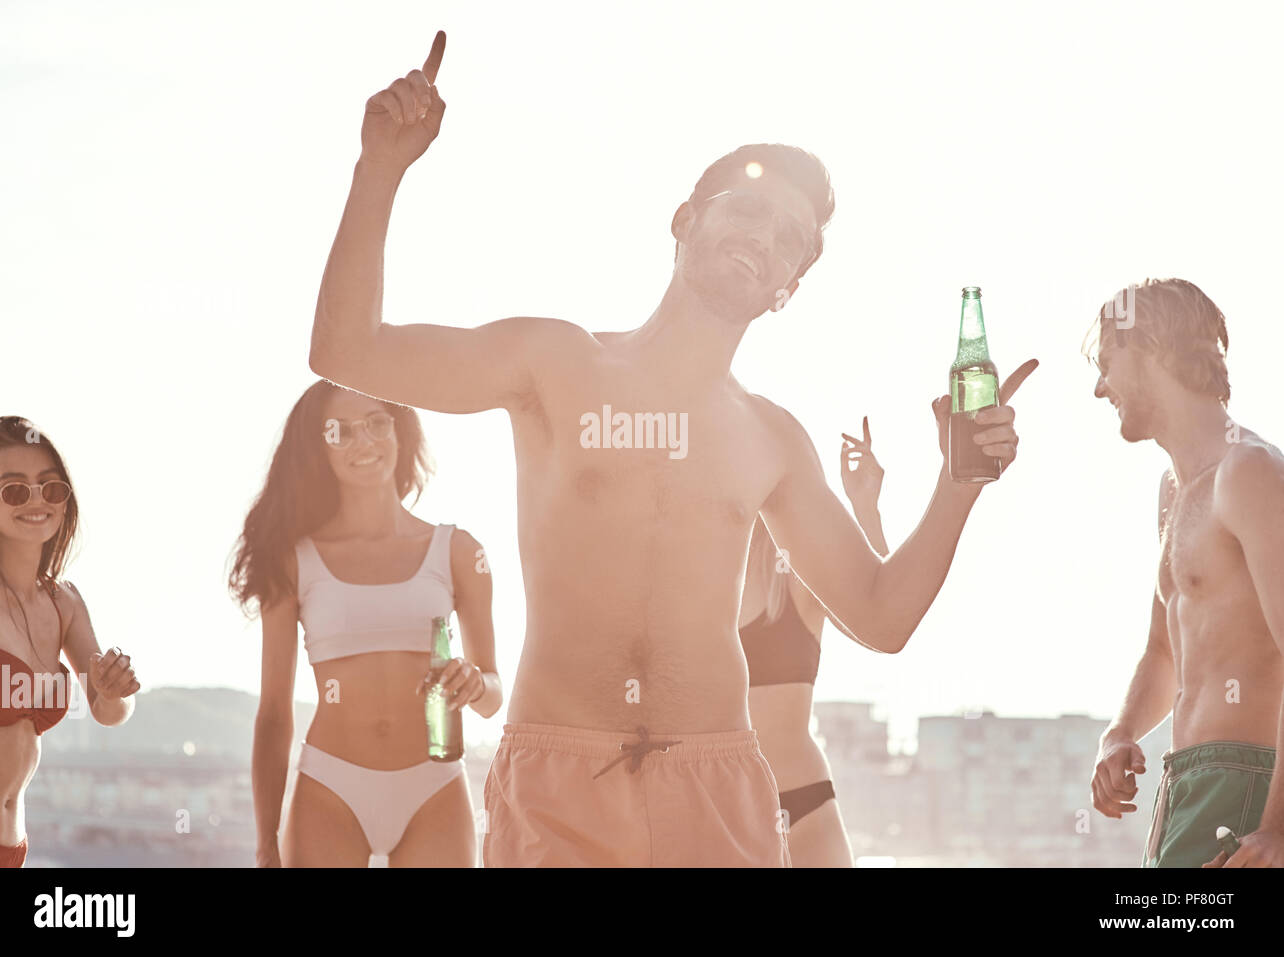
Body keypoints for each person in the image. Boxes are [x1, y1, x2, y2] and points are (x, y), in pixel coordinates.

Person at [308, 31, 1034, 866]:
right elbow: (346, 349)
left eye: (791, 239)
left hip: (716, 791)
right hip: (560, 784)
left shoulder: (770, 437)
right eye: (749, 208)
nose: (765, 237)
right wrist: (382, 168)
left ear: (787, 288)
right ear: (687, 218)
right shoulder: (555, 361)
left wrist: (959, 480)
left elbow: (880, 613)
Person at [231, 382, 501, 867]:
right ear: (319, 447)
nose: (364, 441)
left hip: (434, 786)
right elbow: (273, 713)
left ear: (400, 430)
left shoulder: (459, 552)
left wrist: (474, 683)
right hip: (331, 787)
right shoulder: (295, 561)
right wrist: (266, 839)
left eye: (377, 422)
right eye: (341, 431)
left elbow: (494, 693)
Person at [1086, 279, 1284, 868]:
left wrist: (1278, 829)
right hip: (1186, 788)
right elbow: (1162, 652)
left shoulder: (1248, 473)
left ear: (1150, 346)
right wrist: (1119, 733)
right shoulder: (1174, 492)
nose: (1100, 388)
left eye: (1106, 363)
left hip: (1250, 786)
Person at [0, 416, 139, 868]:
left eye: (50, 488)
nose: (37, 501)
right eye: (14, 489)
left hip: (11, 848)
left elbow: (109, 712)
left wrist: (114, 691)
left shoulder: (64, 603)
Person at [740, 418, 888, 867]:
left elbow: (879, 611)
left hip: (803, 801)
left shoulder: (795, 580)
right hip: (721, 801)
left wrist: (865, 506)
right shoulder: (693, 581)